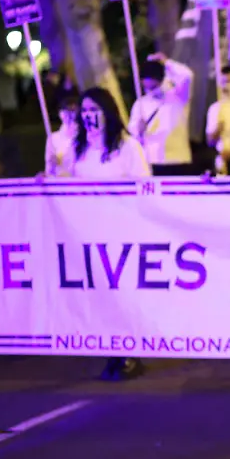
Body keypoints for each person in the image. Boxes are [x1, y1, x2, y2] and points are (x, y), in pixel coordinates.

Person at [72, 87, 152, 381]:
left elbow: (144, 186)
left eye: (95, 110)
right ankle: (113, 350)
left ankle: (131, 351)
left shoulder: (128, 147)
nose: (90, 117)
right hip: (89, 234)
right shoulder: (77, 148)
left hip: (121, 233)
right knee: (101, 295)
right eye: (85, 111)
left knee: (123, 294)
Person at [129, 54, 195, 175]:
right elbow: (133, 137)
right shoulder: (140, 104)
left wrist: (166, 62)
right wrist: (138, 130)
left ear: (162, 80)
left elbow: (187, 76)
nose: (150, 91)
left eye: (153, 87)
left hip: (178, 161)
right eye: (146, 87)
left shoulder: (179, 97)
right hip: (151, 162)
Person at [44, 93, 82, 177]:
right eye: (65, 110)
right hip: (60, 185)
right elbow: (49, 171)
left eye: (72, 110)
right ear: (60, 114)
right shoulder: (53, 138)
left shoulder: (84, 137)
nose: (68, 114)